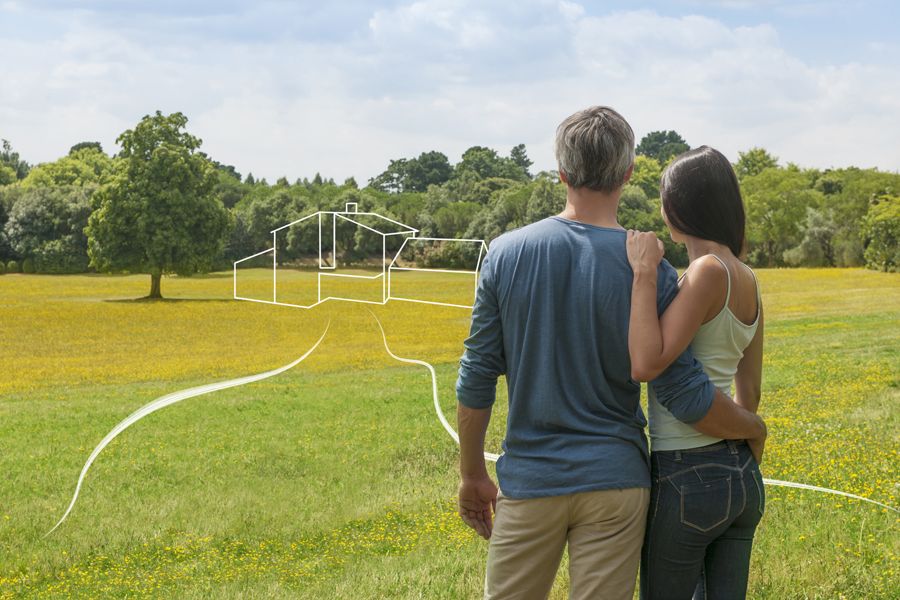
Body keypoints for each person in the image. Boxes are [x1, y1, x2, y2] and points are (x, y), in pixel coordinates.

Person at [455, 106, 767, 600]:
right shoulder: (653, 269)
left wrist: (472, 473)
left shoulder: (504, 253)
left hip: (531, 481)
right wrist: (753, 427)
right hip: (618, 483)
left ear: (560, 172)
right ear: (628, 174)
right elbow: (683, 391)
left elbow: (475, 379)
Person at [626, 146, 766, 600]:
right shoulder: (748, 277)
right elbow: (751, 392)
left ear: (678, 208)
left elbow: (648, 362)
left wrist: (644, 273)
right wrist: (743, 448)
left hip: (685, 470)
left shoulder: (706, 271)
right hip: (741, 475)